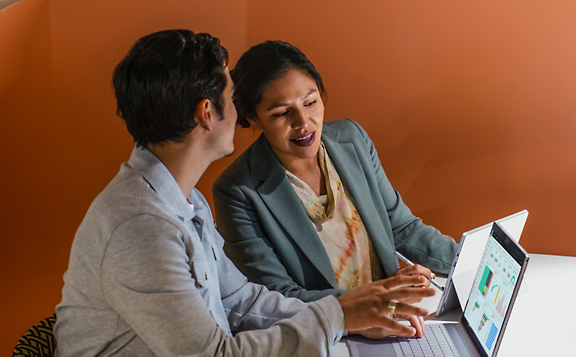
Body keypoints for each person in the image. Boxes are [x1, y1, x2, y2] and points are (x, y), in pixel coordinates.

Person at [54, 29, 434, 356]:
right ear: (207, 113)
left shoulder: (183, 199)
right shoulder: (141, 228)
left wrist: (351, 313)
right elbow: (216, 353)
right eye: (232, 95)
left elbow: (242, 302)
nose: (240, 112)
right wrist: (339, 315)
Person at [212, 40, 459, 302]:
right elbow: (277, 298)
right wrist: (375, 299)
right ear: (253, 119)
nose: (303, 123)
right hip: (328, 333)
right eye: (283, 113)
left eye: (310, 102)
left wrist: (470, 264)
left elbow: (401, 228)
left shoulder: (352, 139)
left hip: (391, 314)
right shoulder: (237, 191)